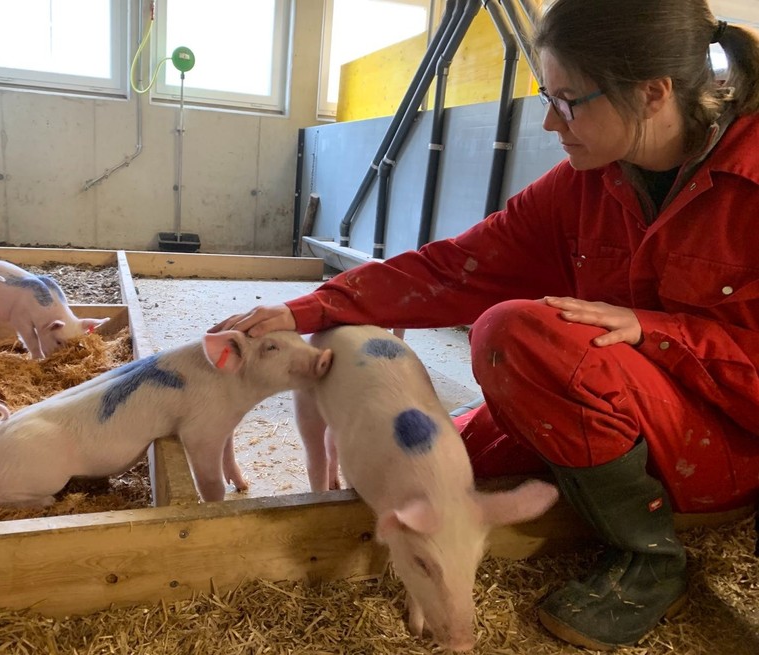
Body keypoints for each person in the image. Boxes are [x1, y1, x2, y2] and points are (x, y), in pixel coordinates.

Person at [211, 0, 759, 649]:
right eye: (544, 95)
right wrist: (307, 308)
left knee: (516, 335)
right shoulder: (586, 182)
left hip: (722, 441)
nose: (550, 120)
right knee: (423, 477)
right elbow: (456, 267)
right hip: (615, 405)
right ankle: (596, 475)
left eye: (567, 99)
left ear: (651, 92)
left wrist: (654, 331)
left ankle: (648, 556)